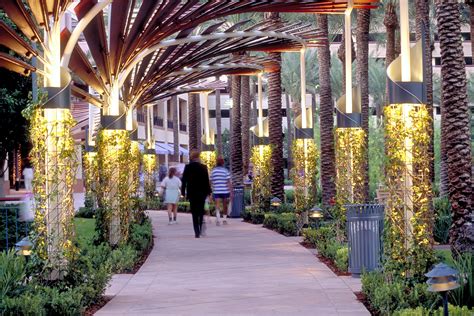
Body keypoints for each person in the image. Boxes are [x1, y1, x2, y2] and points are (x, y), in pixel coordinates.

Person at [181, 150, 211, 238]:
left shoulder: (188, 167)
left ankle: (196, 232)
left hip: (192, 193)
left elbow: (184, 181)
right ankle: (200, 227)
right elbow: (206, 181)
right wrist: (209, 192)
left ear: (191, 157)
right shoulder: (203, 167)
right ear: (198, 157)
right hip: (202, 193)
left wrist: (183, 192)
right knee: (201, 211)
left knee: (194, 212)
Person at [210, 156, 232, 226]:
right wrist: (231, 191)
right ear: (223, 163)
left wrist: (211, 191)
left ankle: (218, 218)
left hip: (216, 191)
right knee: (225, 205)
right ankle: (224, 219)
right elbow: (228, 182)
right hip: (225, 191)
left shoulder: (213, 171)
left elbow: (211, 182)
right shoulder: (226, 171)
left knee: (217, 205)